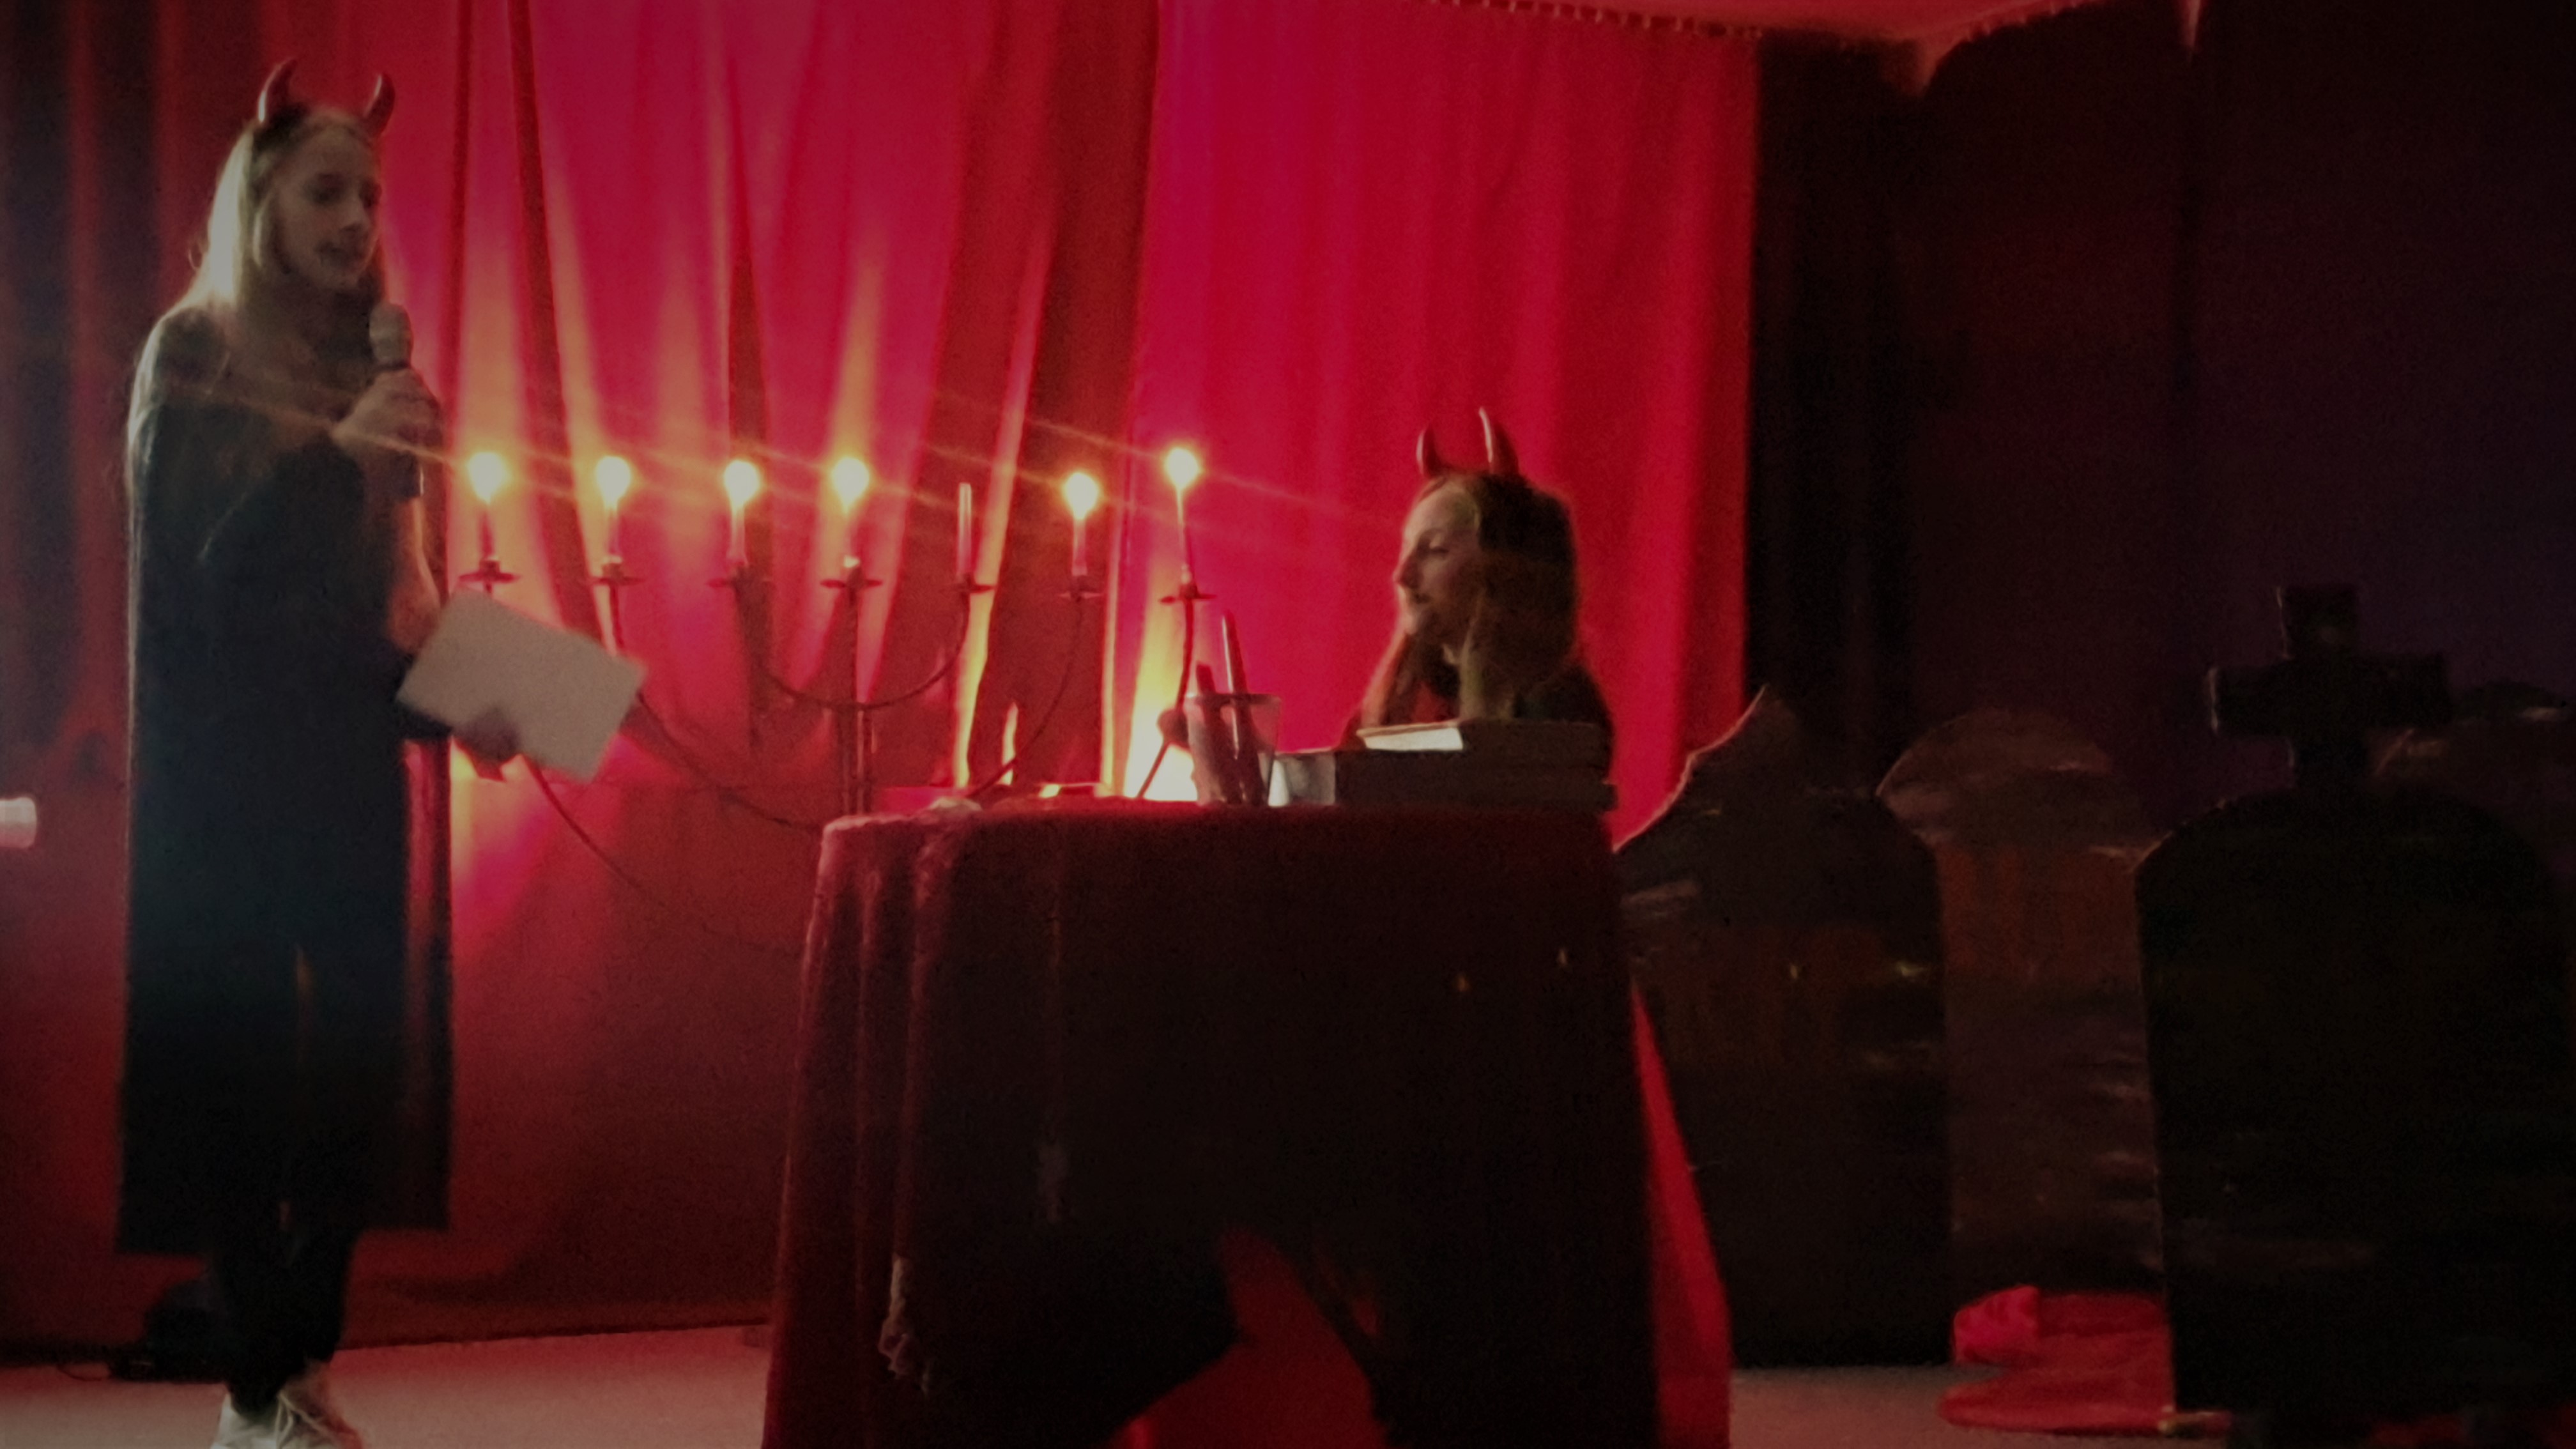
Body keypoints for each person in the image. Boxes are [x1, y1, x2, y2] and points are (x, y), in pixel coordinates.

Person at [120, 61, 471, 1449]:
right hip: (225, 776)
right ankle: (262, 1382)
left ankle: (290, 1360)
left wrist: (480, 696)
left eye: (369, 197)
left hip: (346, 763)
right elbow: (209, 575)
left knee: (365, 1068)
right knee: (243, 1075)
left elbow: (389, 599)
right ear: (258, 200)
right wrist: (339, 451)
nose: (355, 221)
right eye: (326, 192)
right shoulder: (193, 349)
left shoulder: (363, 367)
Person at [1350, 410, 1613, 756]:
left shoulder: (1560, 710)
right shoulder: (1411, 698)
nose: (1402, 575)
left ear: (1504, 573)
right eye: (1408, 548)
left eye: (1436, 550)